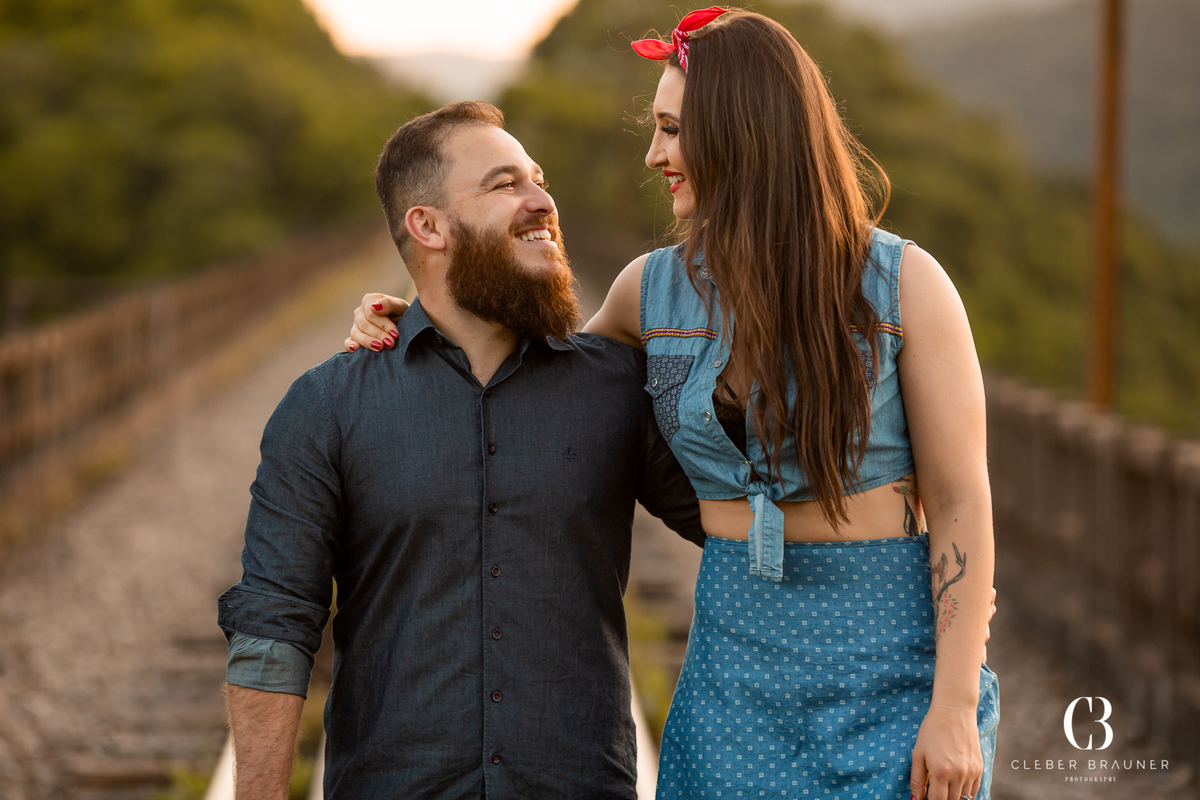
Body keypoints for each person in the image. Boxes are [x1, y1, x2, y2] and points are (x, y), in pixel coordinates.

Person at [345, 7, 999, 800]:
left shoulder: (904, 284)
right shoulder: (648, 291)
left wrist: (955, 706)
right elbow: (530, 388)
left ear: (741, 133)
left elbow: (962, 502)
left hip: (887, 666)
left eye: (670, 129)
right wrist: (413, 322)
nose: (655, 154)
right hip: (731, 677)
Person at [217, 100, 707, 799]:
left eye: (538, 179)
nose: (543, 201)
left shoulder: (617, 386)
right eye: (507, 184)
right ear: (428, 225)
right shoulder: (326, 405)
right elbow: (272, 629)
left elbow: (741, 528)